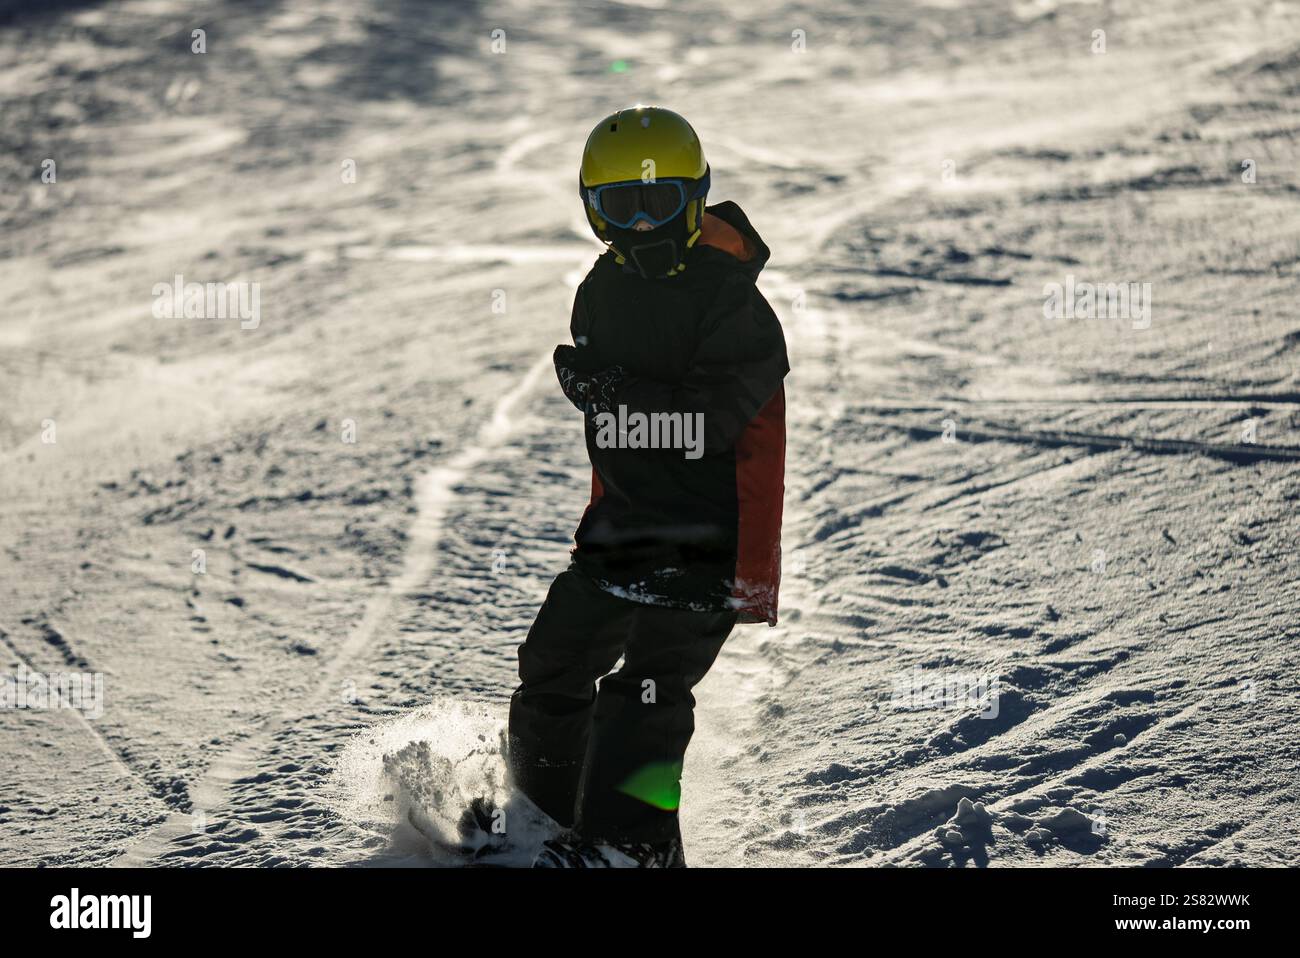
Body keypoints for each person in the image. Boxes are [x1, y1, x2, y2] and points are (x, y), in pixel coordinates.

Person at [507, 105, 789, 867]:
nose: (641, 227)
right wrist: (601, 398)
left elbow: (706, 427)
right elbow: (619, 441)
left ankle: (631, 847)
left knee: (647, 692)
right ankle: (542, 820)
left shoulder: (737, 307)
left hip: (712, 539)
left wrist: (612, 393)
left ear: (695, 200)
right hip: (626, 530)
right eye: (619, 207)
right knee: (554, 664)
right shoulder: (602, 290)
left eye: (658, 203)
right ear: (592, 213)